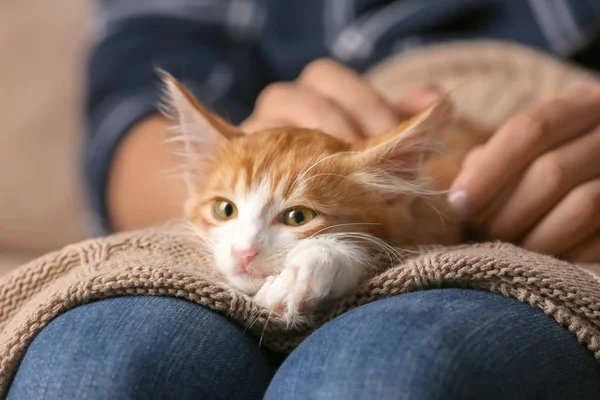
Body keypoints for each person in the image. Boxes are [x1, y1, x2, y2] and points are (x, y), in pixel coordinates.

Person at [7, 1, 600, 398]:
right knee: (96, 358)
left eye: (296, 218)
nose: (242, 252)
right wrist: (244, 160)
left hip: (545, 178)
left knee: (384, 366)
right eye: (225, 212)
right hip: (283, 121)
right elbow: (129, 106)